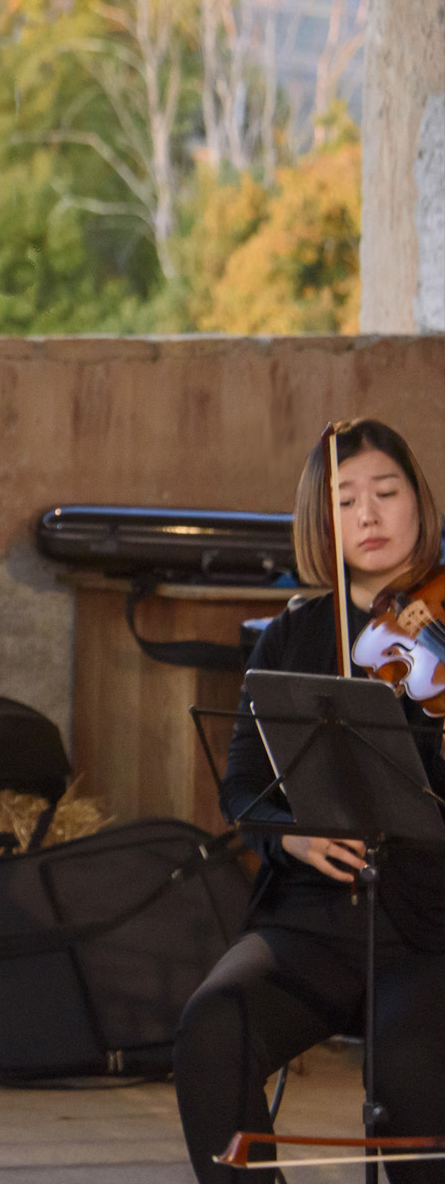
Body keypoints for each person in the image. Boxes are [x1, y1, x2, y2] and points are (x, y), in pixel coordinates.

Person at [175, 419, 445, 1184]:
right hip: (315, 920)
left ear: (417, 505)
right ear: (319, 522)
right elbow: (241, 789)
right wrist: (289, 838)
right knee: (211, 1026)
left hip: (431, 927)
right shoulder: (291, 638)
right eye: (346, 499)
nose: (368, 515)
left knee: (408, 1077)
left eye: (385, 493)